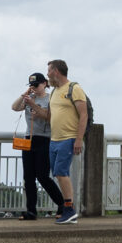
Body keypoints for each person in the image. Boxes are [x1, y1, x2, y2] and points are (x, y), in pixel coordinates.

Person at [10, 72, 67, 220]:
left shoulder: (50, 99)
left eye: (36, 85)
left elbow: (50, 117)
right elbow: (15, 107)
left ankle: (62, 204)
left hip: (44, 139)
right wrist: (25, 95)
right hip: (29, 139)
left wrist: (33, 105)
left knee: (42, 176)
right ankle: (31, 211)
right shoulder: (30, 97)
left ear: (44, 84)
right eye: (31, 85)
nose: (34, 88)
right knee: (28, 177)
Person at [44, 59, 87, 224]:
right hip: (54, 140)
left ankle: (69, 209)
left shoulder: (74, 89)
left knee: (61, 172)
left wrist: (78, 139)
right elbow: (51, 116)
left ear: (56, 71)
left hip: (68, 138)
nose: (47, 74)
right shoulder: (54, 91)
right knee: (58, 173)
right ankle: (69, 209)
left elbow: (83, 115)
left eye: (48, 71)